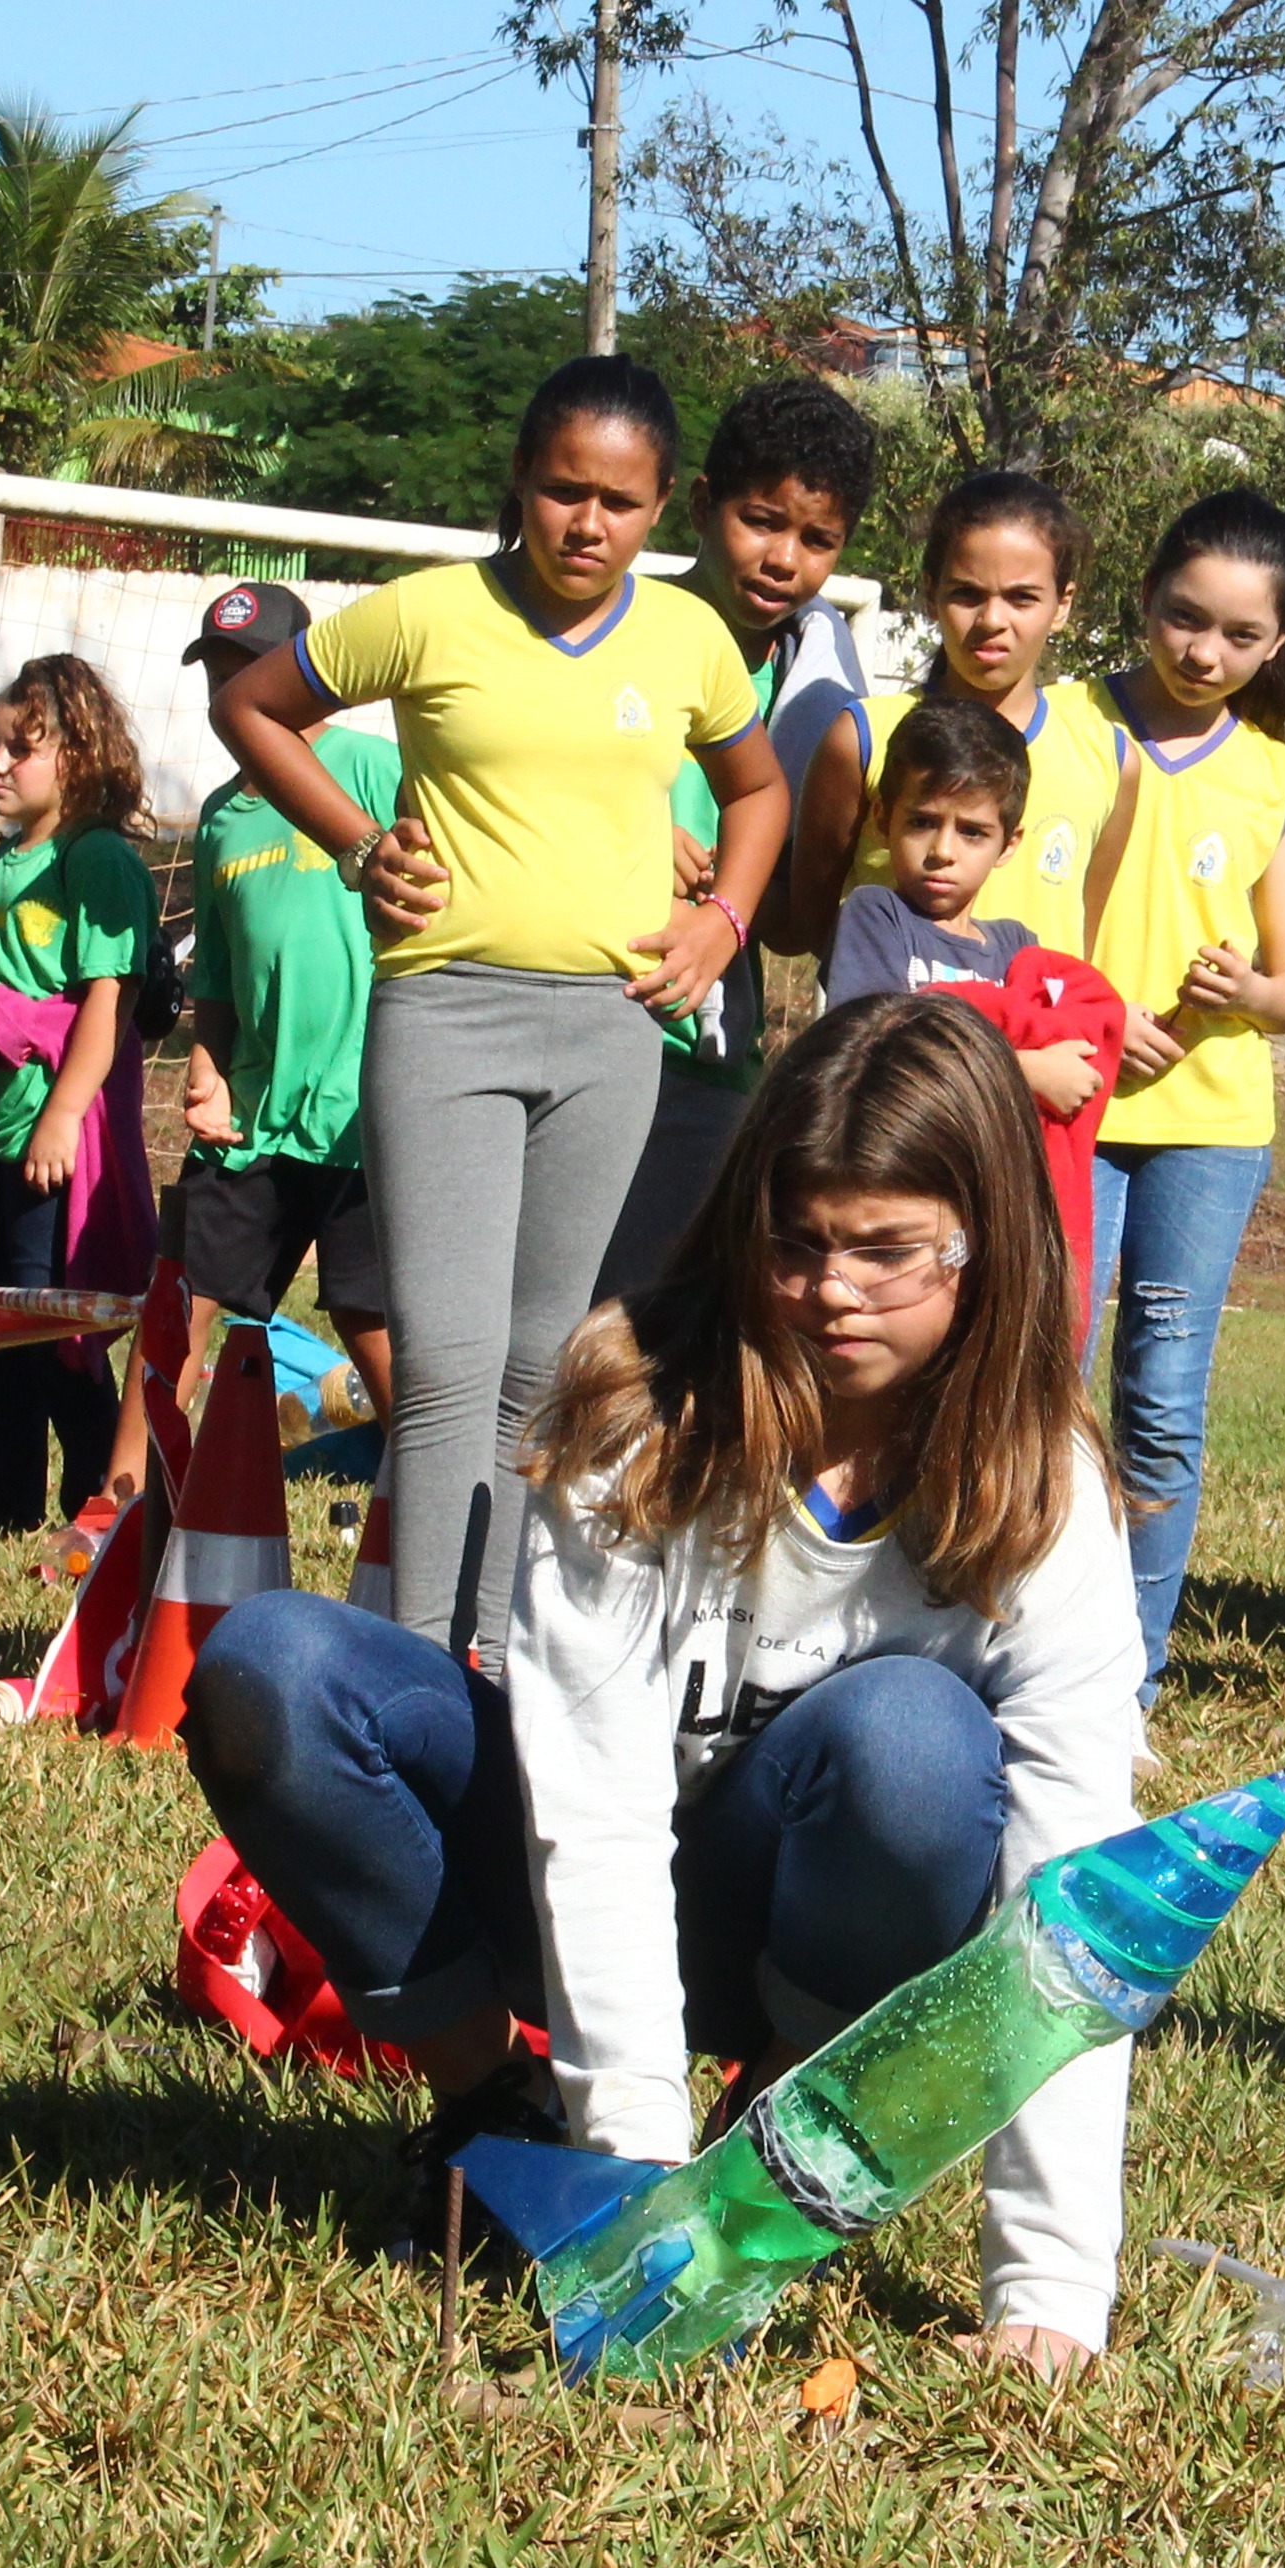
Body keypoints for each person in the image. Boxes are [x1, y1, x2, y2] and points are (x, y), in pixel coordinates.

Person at [182, 996, 1144, 2371]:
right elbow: (598, 1810)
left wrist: (1048, 2293)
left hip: (821, 1922)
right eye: (797, 1243)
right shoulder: (638, 1407)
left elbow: (1072, 1905)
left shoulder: (1046, 1493)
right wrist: (637, 2193)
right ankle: (492, 2111)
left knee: (913, 1741)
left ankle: (781, 2135)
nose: (833, 1292)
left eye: (890, 1253)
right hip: (568, 1879)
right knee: (274, 1669)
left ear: (989, 1249)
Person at [219, 355, 789, 1659]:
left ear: (665, 509)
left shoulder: (688, 641)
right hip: (445, 1022)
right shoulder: (429, 615)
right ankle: (418, 1675)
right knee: (446, 1364)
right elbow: (254, 706)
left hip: (609, 1035)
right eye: (562, 490)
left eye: (621, 502)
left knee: (543, 1371)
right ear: (518, 485)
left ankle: (495, 1663)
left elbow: (758, 793)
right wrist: (362, 847)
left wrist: (723, 920)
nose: (587, 524)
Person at [1084, 489, 1285, 1686]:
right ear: (1144, 599)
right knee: (1046, 1387)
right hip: (1067, 1101)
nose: (1203, 652)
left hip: (1210, 1127)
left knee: (1162, 1401)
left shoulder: (1272, 774)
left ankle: (1130, 1674)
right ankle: (1026, 1651)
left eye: (1237, 636)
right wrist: (1092, 1016)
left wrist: (1245, 990)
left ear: (1276, 644)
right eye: (1184, 619)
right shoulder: (1069, 728)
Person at [603, 378, 883, 1306]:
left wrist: (759, 876)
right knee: (546, 1316)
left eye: (817, 540)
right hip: (575, 1021)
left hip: (708, 1052)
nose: (783, 558)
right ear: (700, 503)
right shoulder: (612, 629)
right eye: (761, 520)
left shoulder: (819, 693)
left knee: (656, 1312)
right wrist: (632, 831)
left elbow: (798, 928)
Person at [0, 654, 156, 1538]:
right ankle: (0, 1507)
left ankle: (100, 1500)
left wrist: (58, 1115)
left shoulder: (95, 861)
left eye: (24, 747)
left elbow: (109, 999)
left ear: (81, 756)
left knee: (53, 1333)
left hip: (49, 1144)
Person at [172, 584, 400, 1441]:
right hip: (259, 1114)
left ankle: (430, 1503)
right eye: (218, 673)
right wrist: (206, 1069)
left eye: (252, 670)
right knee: (183, 1303)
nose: (230, 692)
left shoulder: (374, 770)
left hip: (368, 1109)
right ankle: (118, 1503)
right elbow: (219, 978)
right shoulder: (220, 820)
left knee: (369, 1317)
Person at [820, 703, 1128, 1327]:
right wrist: (1024, 1072)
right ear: (882, 818)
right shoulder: (876, 917)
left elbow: (1074, 1038)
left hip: (990, 1211)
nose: (942, 851)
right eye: (923, 822)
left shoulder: (1018, 948)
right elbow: (869, 1057)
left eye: (972, 832)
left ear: (1010, 843)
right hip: (897, 1205)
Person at [790, 470, 1135, 960]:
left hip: (1046, 1041)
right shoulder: (864, 737)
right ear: (931, 594)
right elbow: (815, 928)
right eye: (968, 594)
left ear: (1062, 605)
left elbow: (1083, 944)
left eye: (1022, 598)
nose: (992, 621)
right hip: (904, 1035)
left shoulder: (1111, 759)